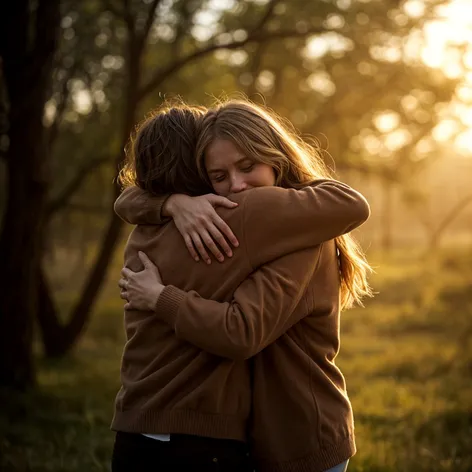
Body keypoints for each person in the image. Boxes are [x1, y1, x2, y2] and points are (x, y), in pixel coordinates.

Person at [113, 100, 371, 472]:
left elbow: (352, 204)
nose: (237, 186)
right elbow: (129, 198)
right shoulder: (232, 215)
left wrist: (160, 295)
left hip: (300, 439)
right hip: (254, 439)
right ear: (200, 173)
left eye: (247, 166)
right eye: (218, 176)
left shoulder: (253, 213)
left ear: (274, 155)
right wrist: (173, 203)